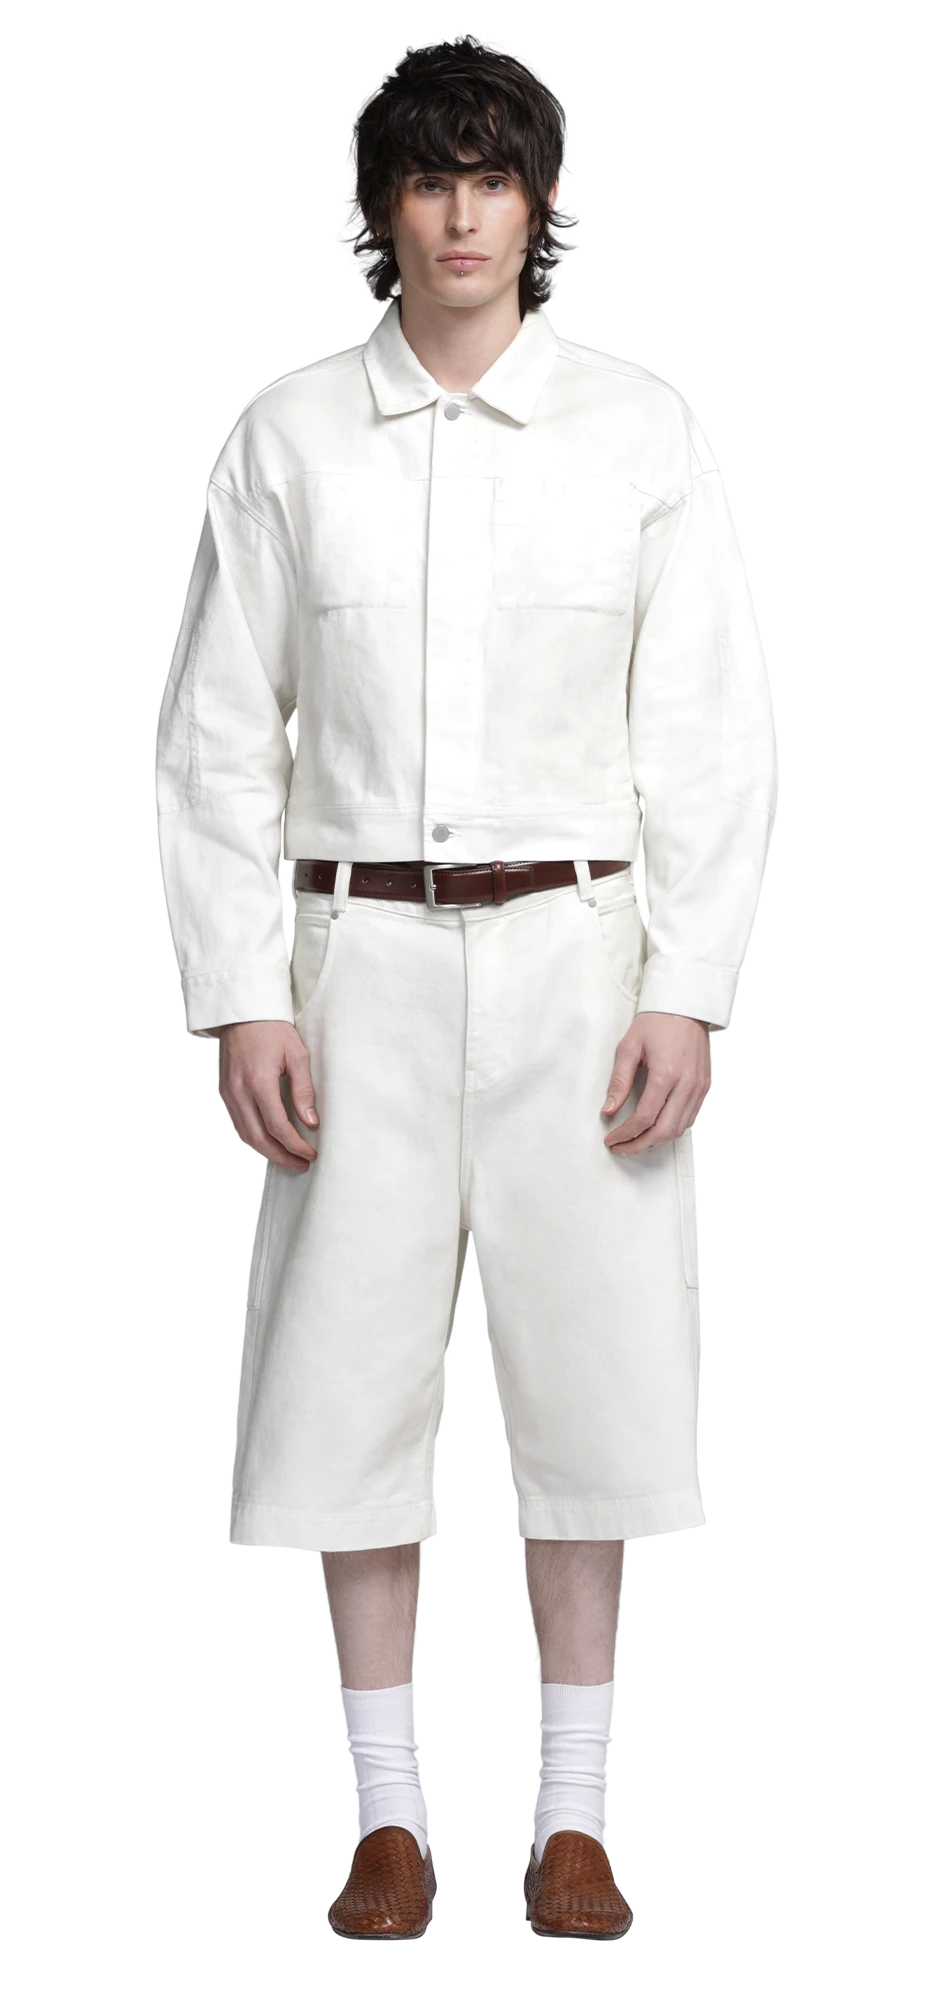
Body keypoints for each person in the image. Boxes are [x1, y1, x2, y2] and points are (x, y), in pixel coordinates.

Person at [155, 34, 775, 1942]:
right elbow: (220, 738)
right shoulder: (287, 438)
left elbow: (707, 734)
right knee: (347, 1390)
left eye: (490, 179)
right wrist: (242, 993)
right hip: (357, 966)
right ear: (382, 209)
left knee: (590, 1387)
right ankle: (389, 1821)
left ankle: (574, 1818)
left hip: (583, 961)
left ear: (540, 204)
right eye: (427, 180)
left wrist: (686, 987)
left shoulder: (635, 435)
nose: (459, 217)